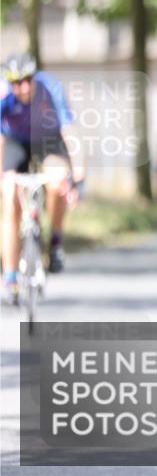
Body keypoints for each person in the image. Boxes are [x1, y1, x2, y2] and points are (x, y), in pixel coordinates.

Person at [1, 53, 84, 304]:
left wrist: (78, 175)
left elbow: (69, 131)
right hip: (16, 142)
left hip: (47, 140)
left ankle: (55, 241)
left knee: (58, 181)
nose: (24, 88)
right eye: (17, 83)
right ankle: (11, 276)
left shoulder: (50, 88)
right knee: (10, 197)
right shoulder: (3, 94)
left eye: (28, 80)